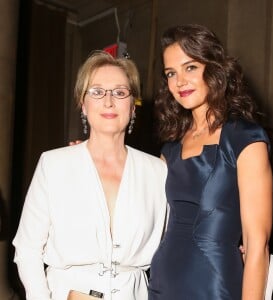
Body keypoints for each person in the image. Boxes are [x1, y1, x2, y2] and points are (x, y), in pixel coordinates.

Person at [12, 50, 167, 300]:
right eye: (97, 92)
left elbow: (176, 242)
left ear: (133, 104)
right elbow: (27, 249)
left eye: (119, 92)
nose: (108, 102)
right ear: (83, 104)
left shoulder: (157, 172)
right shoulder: (54, 164)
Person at [148, 24, 273, 300]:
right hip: (161, 283)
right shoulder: (169, 150)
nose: (179, 81)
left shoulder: (244, 138)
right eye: (171, 73)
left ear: (214, 68)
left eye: (190, 67)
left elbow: (257, 245)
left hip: (215, 286)